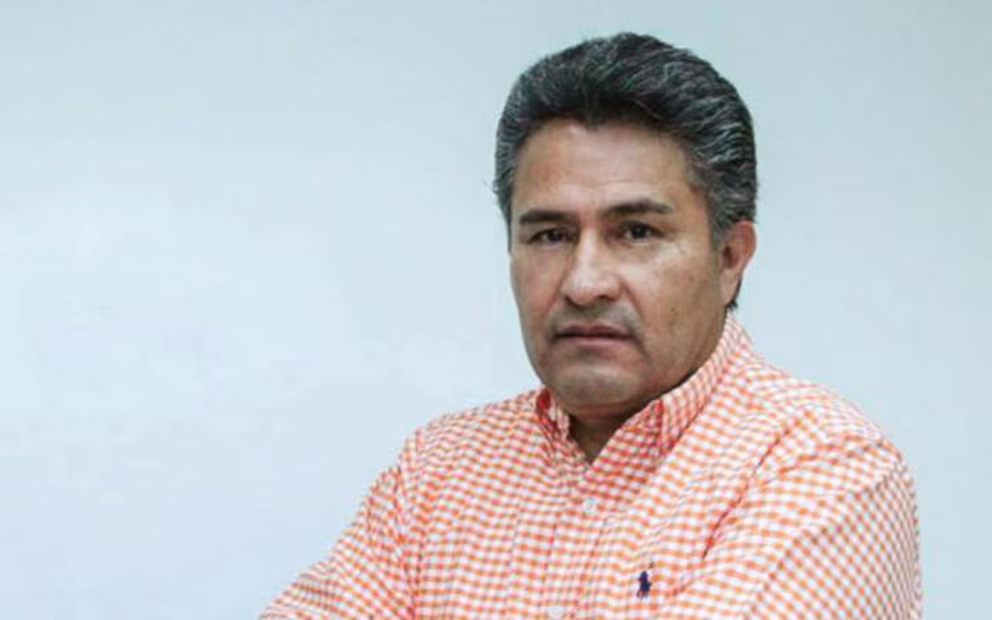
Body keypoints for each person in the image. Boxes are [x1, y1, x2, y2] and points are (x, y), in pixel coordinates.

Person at [261, 33, 921, 619]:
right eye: (550, 235)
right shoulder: (438, 471)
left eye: (636, 232)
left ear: (729, 258)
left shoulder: (825, 465)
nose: (584, 283)